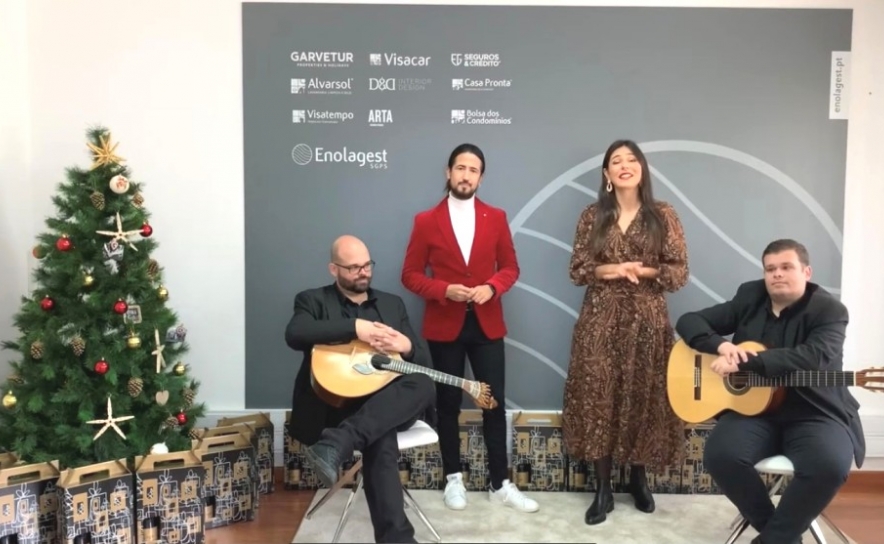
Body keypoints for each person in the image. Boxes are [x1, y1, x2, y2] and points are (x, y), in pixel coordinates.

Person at [675, 239, 865, 544]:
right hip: (754, 412)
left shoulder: (830, 311)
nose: (777, 274)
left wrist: (744, 362)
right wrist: (721, 346)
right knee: (721, 455)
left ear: (806, 272)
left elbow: (812, 357)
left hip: (814, 411)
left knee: (829, 465)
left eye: (786, 267)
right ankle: (781, 534)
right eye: (770, 269)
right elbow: (689, 321)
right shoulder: (750, 297)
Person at [400, 143, 539, 513]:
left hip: (486, 324)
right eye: (460, 168)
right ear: (448, 173)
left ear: (481, 177)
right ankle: (453, 479)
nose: (466, 175)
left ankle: (499, 483)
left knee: (493, 402)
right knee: (447, 404)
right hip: (444, 325)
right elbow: (409, 275)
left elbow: (510, 267)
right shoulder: (425, 221)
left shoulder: (496, 217)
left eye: (473, 170)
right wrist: (443, 289)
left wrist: (491, 287)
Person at [563, 139, 689, 525]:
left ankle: (638, 479)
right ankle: (602, 488)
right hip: (599, 320)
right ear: (607, 174)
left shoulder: (662, 214)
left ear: (642, 169)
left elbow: (679, 272)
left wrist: (643, 270)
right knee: (598, 399)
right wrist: (613, 269)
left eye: (631, 159)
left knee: (643, 396)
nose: (624, 165)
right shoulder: (592, 215)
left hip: (647, 321)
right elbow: (578, 269)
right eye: (615, 161)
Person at [284, 234, 436, 544]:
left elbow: (424, 363)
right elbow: (296, 333)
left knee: (423, 382)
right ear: (334, 269)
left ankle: (338, 442)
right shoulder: (312, 300)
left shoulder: (392, 304)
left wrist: (406, 346)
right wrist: (356, 328)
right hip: (335, 406)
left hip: (386, 401)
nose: (363, 272)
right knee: (379, 433)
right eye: (353, 267)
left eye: (367, 265)